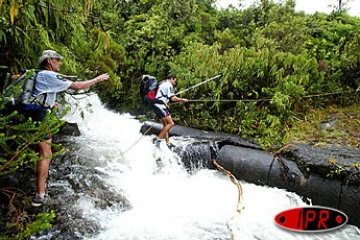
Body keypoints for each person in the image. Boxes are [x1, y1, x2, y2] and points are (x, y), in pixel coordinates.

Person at [29, 50, 109, 207]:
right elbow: (78, 86)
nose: (60, 62)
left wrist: (52, 104)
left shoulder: (38, 74)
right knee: (46, 154)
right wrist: (97, 79)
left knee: (43, 151)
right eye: (58, 60)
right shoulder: (50, 75)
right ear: (49, 61)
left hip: (34, 114)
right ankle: (39, 195)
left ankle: (40, 186)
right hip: (41, 115)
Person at [152, 73, 188, 149]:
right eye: (174, 80)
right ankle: (157, 139)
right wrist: (182, 100)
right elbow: (172, 98)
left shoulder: (163, 83)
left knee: (166, 125)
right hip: (160, 106)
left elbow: (162, 95)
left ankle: (168, 143)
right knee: (171, 123)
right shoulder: (169, 85)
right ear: (171, 79)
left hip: (156, 105)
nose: (175, 82)